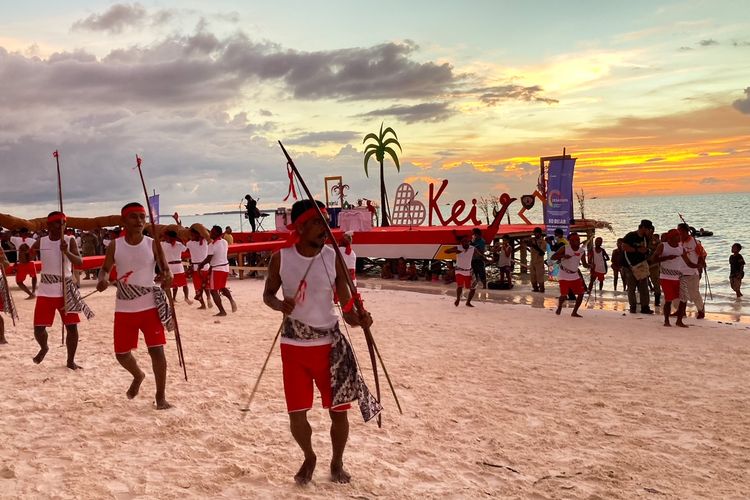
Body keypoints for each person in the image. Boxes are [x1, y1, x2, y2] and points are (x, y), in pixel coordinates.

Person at [262, 199, 378, 485]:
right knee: (297, 414)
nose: (324, 229)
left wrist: (360, 319)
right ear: (300, 227)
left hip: (330, 346)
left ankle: (337, 461)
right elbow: (268, 295)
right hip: (293, 348)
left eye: (326, 222)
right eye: (317, 222)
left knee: (338, 413)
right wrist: (279, 306)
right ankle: (309, 456)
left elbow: (347, 310)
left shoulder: (333, 256)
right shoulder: (281, 257)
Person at [96, 202, 173, 410]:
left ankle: (160, 397)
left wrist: (168, 277)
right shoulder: (115, 245)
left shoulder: (152, 243)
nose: (139, 221)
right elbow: (104, 269)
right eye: (134, 217)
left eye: (142, 217)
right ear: (123, 221)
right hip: (124, 307)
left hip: (149, 306)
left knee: (157, 352)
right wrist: (101, 280)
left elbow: (166, 269)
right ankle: (138, 375)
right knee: (121, 354)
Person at [30, 212, 92, 369]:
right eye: (58, 222)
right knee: (38, 328)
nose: (62, 225)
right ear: (49, 225)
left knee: (72, 327)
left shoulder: (69, 240)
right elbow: (29, 252)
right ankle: (44, 347)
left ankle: (70, 361)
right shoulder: (41, 241)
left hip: (65, 289)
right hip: (45, 290)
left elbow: (80, 262)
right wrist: (25, 251)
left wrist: (67, 252)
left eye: (64, 222)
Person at [200, 225, 237, 317]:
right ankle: (231, 300)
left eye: (212, 232)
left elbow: (208, 259)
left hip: (217, 268)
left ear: (216, 233)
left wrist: (200, 265)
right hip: (225, 267)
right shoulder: (224, 242)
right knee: (222, 287)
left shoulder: (212, 245)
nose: (210, 234)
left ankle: (222, 311)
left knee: (213, 290)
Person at [622, 220, 654, 314]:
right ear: (643, 227)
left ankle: (645, 307)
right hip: (630, 265)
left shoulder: (646, 238)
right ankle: (633, 306)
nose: (649, 231)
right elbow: (624, 247)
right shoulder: (630, 236)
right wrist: (637, 250)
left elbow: (647, 249)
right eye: (648, 229)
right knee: (631, 287)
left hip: (641, 264)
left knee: (644, 286)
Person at [551, 232, 587, 317]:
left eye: (578, 239)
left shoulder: (581, 251)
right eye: (575, 240)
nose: (577, 241)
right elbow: (553, 257)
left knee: (581, 294)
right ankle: (559, 307)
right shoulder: (565, 248)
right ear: (570, 241)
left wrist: (591, 266)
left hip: (574, 275)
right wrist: (563, 256)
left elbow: (585, 264)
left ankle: (574, 312)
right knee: (564, 295)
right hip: (563, 274)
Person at [676, 223, 706, 319]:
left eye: (680, 231)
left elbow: (703, 255)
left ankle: (701, 311)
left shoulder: (695, 242)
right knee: (679, 293)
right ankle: (680, 311)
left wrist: (700, 268)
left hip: (692, 271)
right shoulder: (678, 242)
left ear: (685, 231)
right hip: (679, 271)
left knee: (694, 293)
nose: (678, 233)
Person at [161, 231, 192, 304]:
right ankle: (173, 298)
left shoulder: (178, 244)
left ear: (171, 237)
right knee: (171, 284)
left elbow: (186, 249)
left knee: (184, 284)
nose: (165, 238)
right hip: (170, 266)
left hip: (177, 266)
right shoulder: (163, 244)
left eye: (166, 236)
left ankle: (186, 298)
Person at [445, 237, 478, 307]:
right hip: (459, 270)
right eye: (463, 242)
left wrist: (488, 259)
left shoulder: (472, 248)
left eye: (466, 242)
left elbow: (480, 255)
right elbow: (446, 251)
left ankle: (468, 302)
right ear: (461, 243)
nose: (465, 243)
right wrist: (455, 251)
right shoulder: (458, 247)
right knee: (460, 286)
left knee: (473, 288)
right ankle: (458, 299)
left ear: (469, 242)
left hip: (469, 270)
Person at [186, 226, 212, 309]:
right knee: (206, 285)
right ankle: (208, 298)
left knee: (198, 287)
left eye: (192, 235)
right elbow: (208, 232)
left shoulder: (189, 243)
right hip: (205, 266)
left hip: (196, 268)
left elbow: (182, 236)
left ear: (196, 235)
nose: (191, 236)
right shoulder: (205, 241)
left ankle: (203, 304)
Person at [10, 227, 37, 299]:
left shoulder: (16, 239)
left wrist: (11, 229)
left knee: (20, 281)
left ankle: (32, 293)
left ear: (20, 233)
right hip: (25, 262)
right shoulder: (33, 240)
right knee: (32, 277)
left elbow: (8, 236)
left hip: (23, 263)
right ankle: (32, 292)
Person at [646, 225, 662, 306]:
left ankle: (657, 301)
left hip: (653, 265)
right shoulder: (642, 239)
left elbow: (659, 252)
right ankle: (644, 302)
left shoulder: (656, 241)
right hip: (643, 264)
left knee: (656, 283)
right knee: (642, 283)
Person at [528, 227, 547, 293]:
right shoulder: (532, 240)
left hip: (539, 261)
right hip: (532, 260)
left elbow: (542, 252)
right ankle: (535, 288)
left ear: (540, 233)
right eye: (535, 233)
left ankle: (542, 290)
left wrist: (533, 245)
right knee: (532, 277)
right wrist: (528, 242)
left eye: (537, 233)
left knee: (540, 277)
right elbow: (528, 244)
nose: (536, 234)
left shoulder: (543, 242)